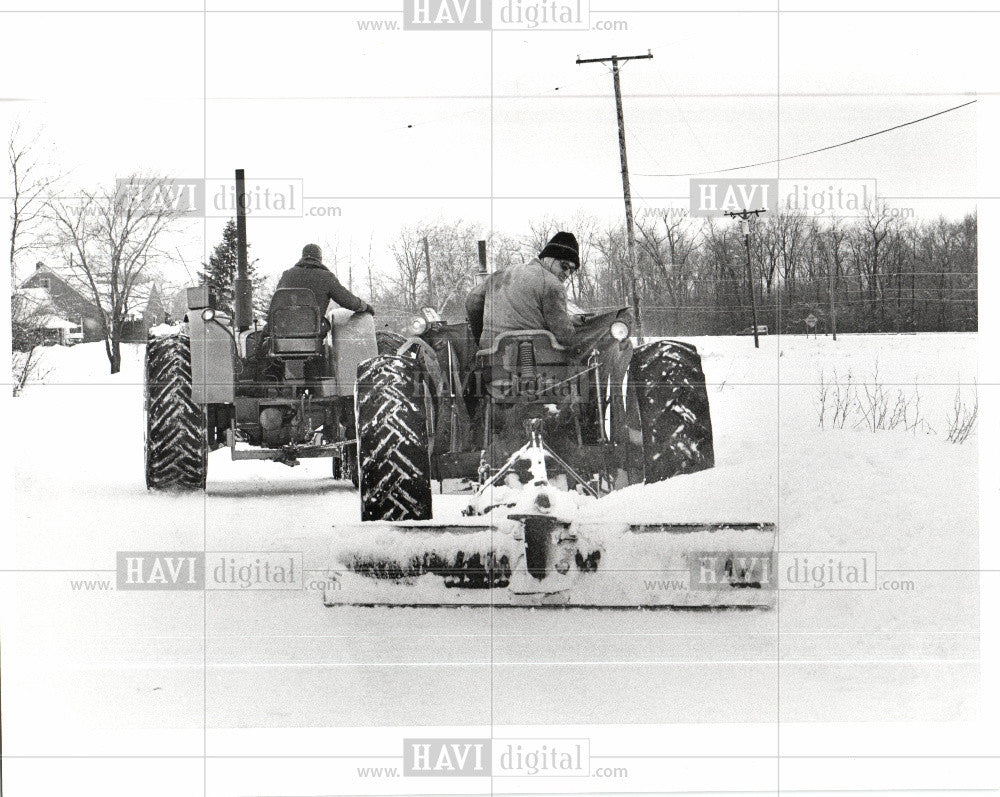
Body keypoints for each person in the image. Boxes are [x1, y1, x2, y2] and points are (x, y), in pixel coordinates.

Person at [466, 231, 580, 349]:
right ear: (549, 259)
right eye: (564, 266)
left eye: (571, 271)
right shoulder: (552, 284)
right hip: (535, 359)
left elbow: (472, 301)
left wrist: (482, 340)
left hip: (492, 357)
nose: (567, 273)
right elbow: (564, 334)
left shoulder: (500, 274)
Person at [275, 243, 375, 317]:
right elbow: (347, 300)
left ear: (303, 257)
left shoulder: (287, 275)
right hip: (312, 332)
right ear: (319, 258)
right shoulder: (326, 277)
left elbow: (276, 301)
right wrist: (365, 307)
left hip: (282, 331)